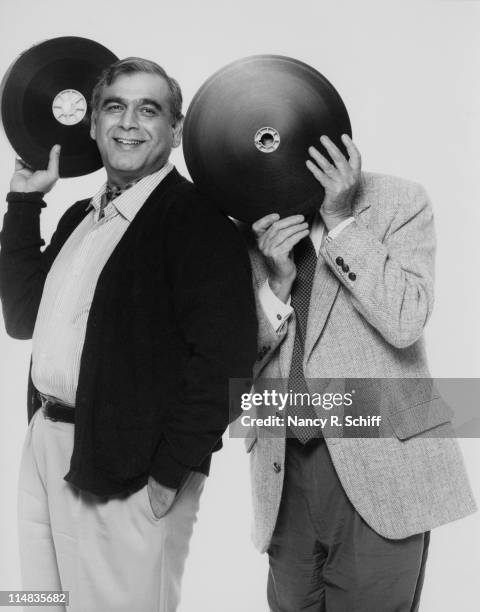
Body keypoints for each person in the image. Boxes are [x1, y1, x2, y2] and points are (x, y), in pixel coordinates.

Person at [0, 57, 257, 612]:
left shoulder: (196, 223)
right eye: (115, 107)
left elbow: (226, 363)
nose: (128, 123)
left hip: (130, 470)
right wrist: (24, 202)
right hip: (47, 446)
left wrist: (170, 473)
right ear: (92, 124)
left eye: (150, 109)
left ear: (176, 129)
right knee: (38, 604)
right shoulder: (79, 218)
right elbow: (21, 316)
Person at [247, 133, 476, 611]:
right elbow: (230, 354)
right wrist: (277, 284)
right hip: (282, 466)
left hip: (381, 460)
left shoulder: (400, 201)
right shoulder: (246, 219)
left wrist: (342, 224)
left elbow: (405, 319)